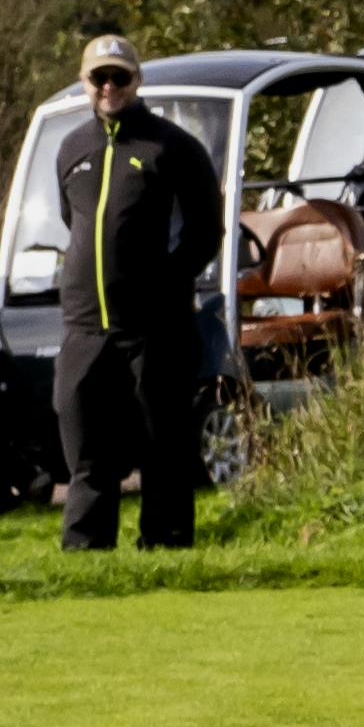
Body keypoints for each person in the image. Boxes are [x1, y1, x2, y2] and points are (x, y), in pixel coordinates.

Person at [45, 36, 218, 552]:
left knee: (163, 449)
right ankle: (86, 559)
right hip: (85, 329)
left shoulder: (173, 148)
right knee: (86, 453)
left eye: (119, 77)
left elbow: (205, 233)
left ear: (137, 81)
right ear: (84, 82)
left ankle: (165, 552)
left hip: (155, 329)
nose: (109, 87)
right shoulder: (71, 149)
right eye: (99, 78)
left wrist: (167, 284)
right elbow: (73, 222)